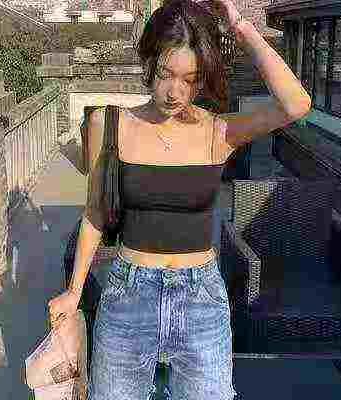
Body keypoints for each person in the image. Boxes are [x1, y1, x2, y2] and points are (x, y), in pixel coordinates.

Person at [48, 0, 312, 398]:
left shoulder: (218, 131)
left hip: (200, 300)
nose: (175, 92)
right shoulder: (110, 123)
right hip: (127, 297)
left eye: (190, 80)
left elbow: (297, 104)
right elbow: (95, 213)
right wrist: (73, 291)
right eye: (166, 74)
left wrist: (241, 27)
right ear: (148, 61)